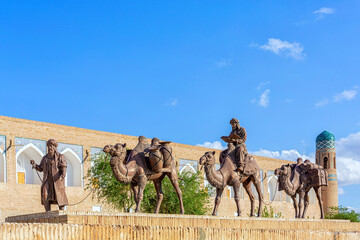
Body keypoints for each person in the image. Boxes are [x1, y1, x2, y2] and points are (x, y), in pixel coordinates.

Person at [30, 139, 68, 212]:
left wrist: (63, 175)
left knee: (59, 196)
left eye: (51, 146)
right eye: (48, 146)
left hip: (56, 179)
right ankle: (48, 212)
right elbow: (41, 168)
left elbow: (63, 166)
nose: (49, 148)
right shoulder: (45, 158)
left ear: (54, 147)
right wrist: (34, 165)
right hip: (47, 179)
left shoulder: (60, 156)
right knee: (45, 194)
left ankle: (61, 212)